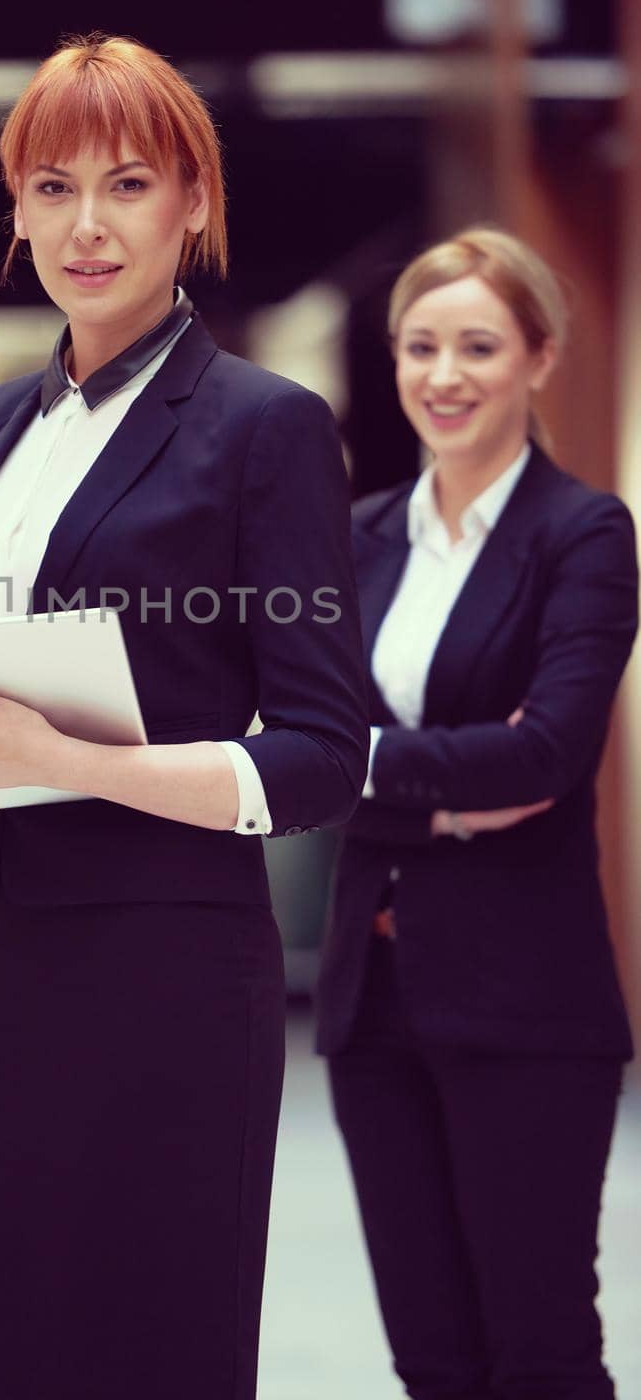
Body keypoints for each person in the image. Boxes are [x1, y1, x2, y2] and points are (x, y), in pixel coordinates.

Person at [0, 34, 369, 1400]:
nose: (85, 226)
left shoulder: (263, 427)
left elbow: (321, 758)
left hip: (159, 963)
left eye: (129, 184)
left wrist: (72, 763)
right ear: (16, 209)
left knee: (145, 1333)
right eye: (52, 187)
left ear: (194, 206)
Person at [316, 227, 637, 1400]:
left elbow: (547, 755)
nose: (443, 375)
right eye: (420, 346)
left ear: (540, 358)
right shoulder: (354, 541)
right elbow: (301, 745)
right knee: (434, 1360)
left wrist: (358, 769)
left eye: (478, 346)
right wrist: (446, 793)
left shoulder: (583, 535)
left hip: (526, 1005)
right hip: (375, 1001)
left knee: (541, 1354)